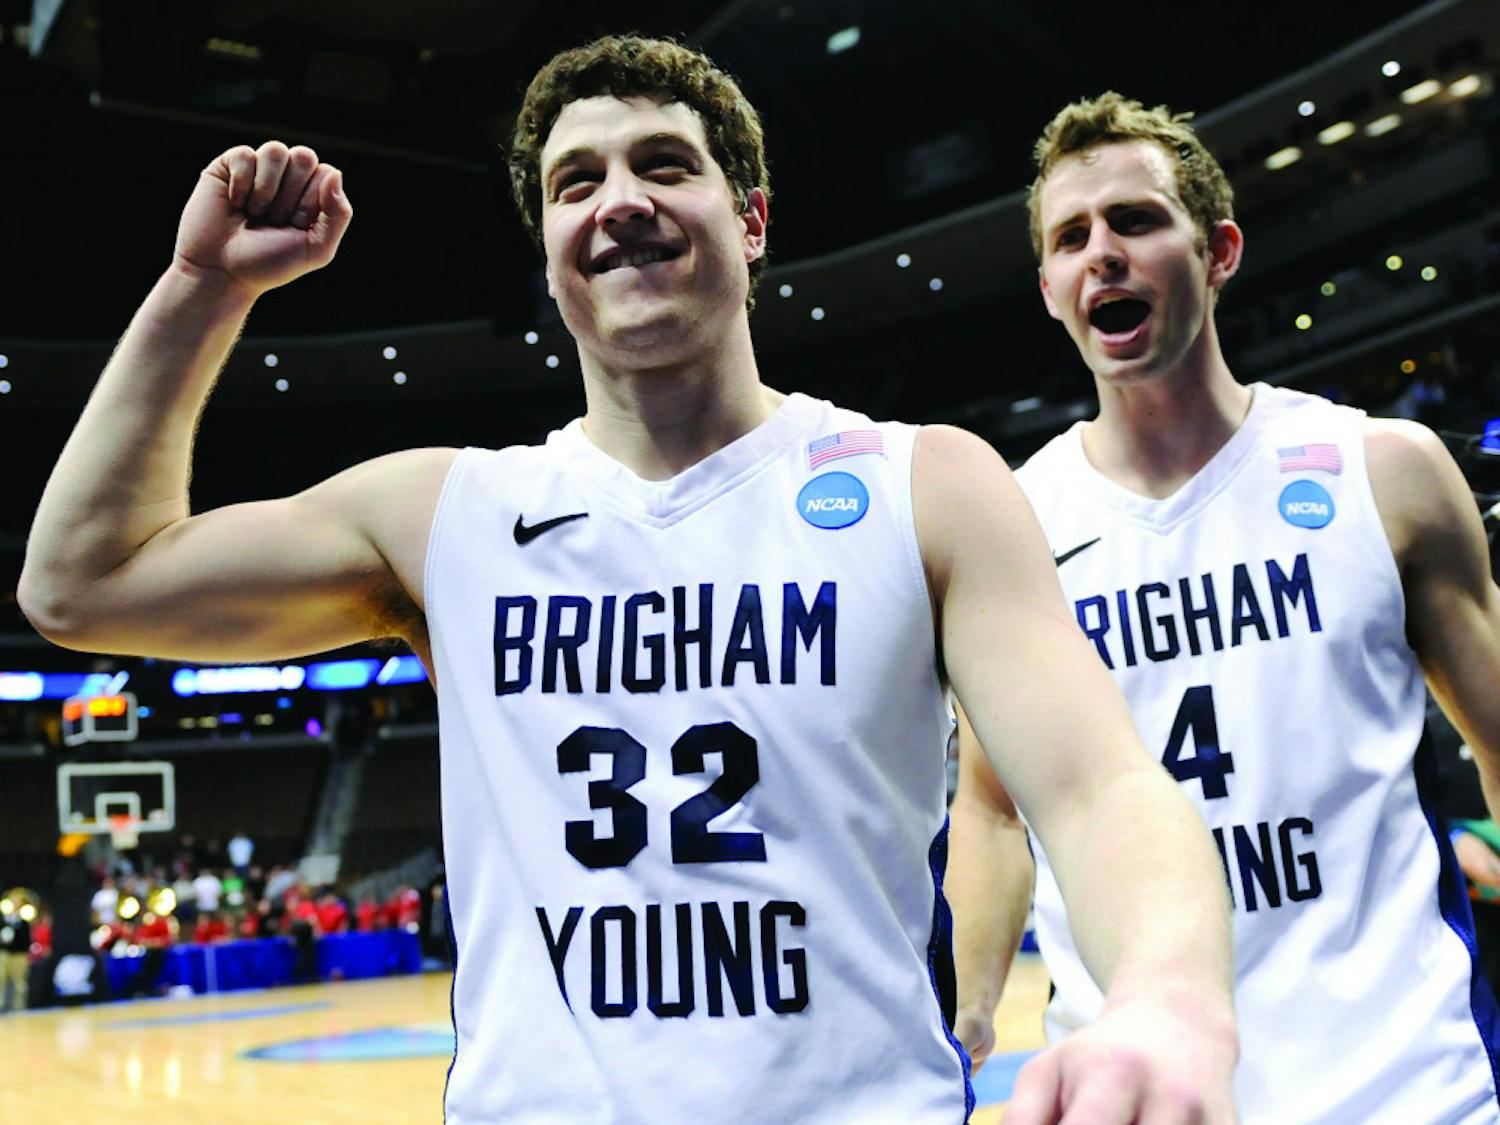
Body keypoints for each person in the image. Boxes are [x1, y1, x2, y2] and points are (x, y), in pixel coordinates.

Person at [20, 38, 1236, 1122]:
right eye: (575, 182)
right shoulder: (442, 514)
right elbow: (82, 583)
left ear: (751, 217)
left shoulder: (923, 484)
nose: (620, 202)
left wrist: (1170, 996)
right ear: (548, 253)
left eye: (664, 163)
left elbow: (1100, 789)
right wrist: (203, 290)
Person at [949, 92, 1500, 1122]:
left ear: (1219, 250)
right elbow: (988, 806)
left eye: (1137, 220)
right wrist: (969, 1016)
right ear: (1050, 288)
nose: (1102, 253)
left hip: (1406, 1084)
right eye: (1072, 238)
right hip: (1146, 1092)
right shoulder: (1011, 529)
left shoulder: (1382, 472)